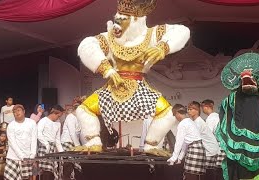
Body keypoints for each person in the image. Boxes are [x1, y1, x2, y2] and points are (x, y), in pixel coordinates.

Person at [75, 0, 190, 155]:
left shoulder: (152, 35)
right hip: (112, 88)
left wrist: (163, 47)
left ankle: (151, 145)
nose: (117, 25)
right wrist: (106, 69)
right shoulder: (109, 38)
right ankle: (94, 142)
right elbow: (87, 45)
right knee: (83, 110)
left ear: (136, 20)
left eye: (122, 20)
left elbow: (182, 31)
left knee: (167, 113)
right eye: (116, 20)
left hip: (140, 89)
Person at [167, 104, 206, 180]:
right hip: (199, 148)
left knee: (190, 175)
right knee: (195, 175)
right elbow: (185, 143)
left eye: (175, 115)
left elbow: (179, 142)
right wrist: (180, 157)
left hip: (194, 149)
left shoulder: (183, 124)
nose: (175, 117)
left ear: (177, 113)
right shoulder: (189, 121)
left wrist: (173, 158)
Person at [4, 104, 37, 180]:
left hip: (28, 156)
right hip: (13, 157)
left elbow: (34, 139)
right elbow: (12, 143)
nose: (16, 113)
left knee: (26, 178)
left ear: (24, 111)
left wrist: (32, 155)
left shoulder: (32, 123)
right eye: (14, 112)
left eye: (18, 110)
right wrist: (21, 156)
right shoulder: (11, 125)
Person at [188, 101, 220, 178]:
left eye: (190, 109)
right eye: (188, 109)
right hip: (212, 148)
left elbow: (207, 134)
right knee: (208, 174)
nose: (188, 111)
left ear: (197, 110)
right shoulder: (215, 116)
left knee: (207, 175)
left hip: (209, 149)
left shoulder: (205, 120)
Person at [37, 105, 64, 177]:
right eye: (58, 116)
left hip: (52, 148)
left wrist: (62, 153)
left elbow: (57, 140)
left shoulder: (58, 123)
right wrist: (46, 144)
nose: (59, 118)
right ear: (54, 113)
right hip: (44, 147)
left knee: (51, 172)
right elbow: (38, 133)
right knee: (46, 171)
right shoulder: (43, 120)